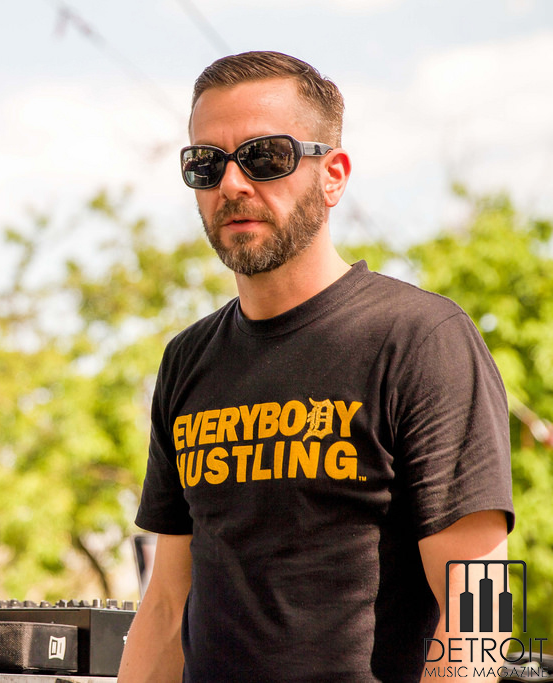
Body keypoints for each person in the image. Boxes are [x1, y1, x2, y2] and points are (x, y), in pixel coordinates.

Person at [118, 51, 514, 682]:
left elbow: (482, 604)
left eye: (264, 156)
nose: (232, 184)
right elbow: (166, 604)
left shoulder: (420, 338)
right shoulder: (187, 359)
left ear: (333, 176)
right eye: (206, 163)